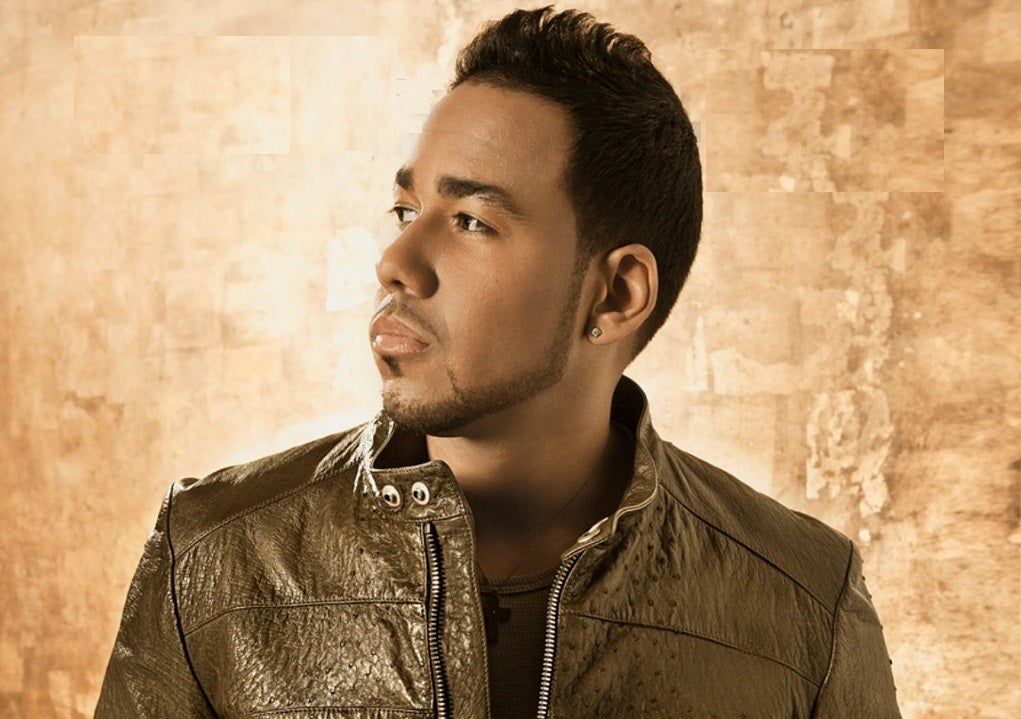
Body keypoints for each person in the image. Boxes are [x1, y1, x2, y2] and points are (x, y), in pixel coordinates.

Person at [95, 5, 901, 718]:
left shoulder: (802, 598)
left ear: (616, 294)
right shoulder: (214, 555)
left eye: (472, 221)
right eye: (407, 209)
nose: (396, 262)